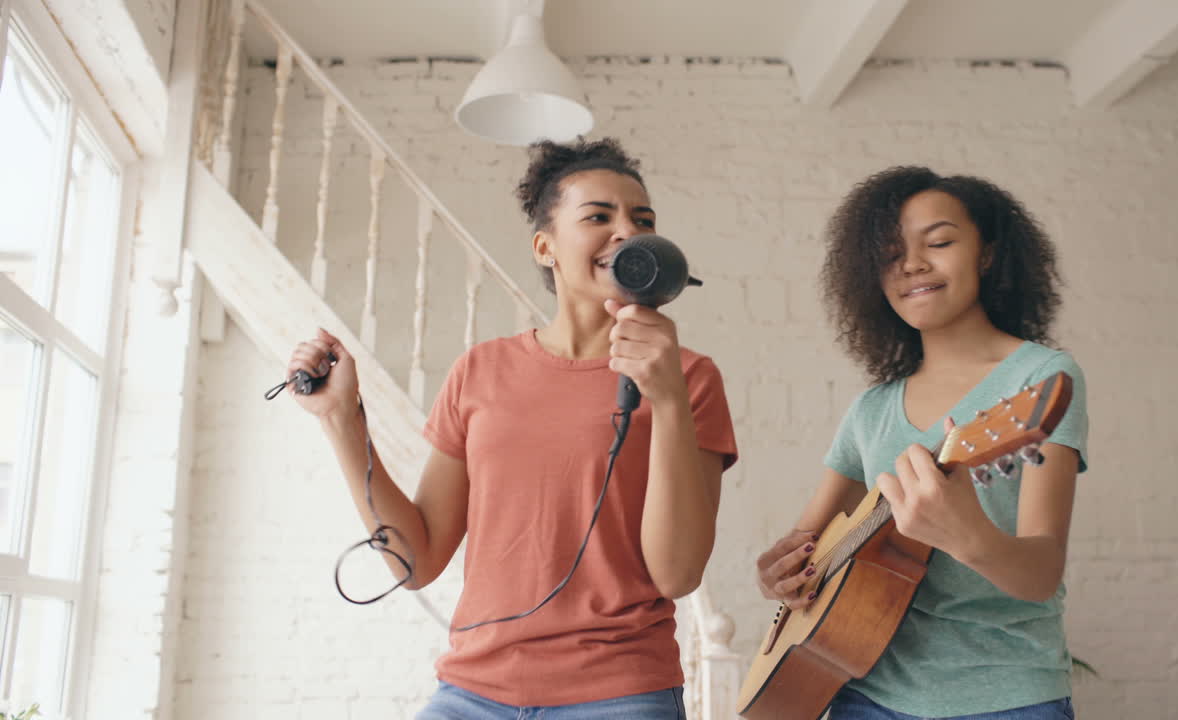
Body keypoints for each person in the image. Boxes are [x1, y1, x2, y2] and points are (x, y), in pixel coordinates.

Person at [286, 138, 737, 718]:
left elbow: (676, 574)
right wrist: (340, 421)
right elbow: (416, 563)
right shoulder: (480, 371)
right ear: (545, 247)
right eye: (598, 216)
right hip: (472, 692)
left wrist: (668, 399)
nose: (627, 231)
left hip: (619, 694)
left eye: (641, 219)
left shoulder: (691, 377)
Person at [755, 166, 1087, 719]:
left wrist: (968, 534)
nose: (912, 264)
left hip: (1006, 696)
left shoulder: (1041, 378)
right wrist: (780, 575)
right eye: (890, 254)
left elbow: (1040, 574)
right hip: (864, 694)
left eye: (939, 242)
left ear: (986, 255)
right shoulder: (872, 409)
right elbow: (807, 544)